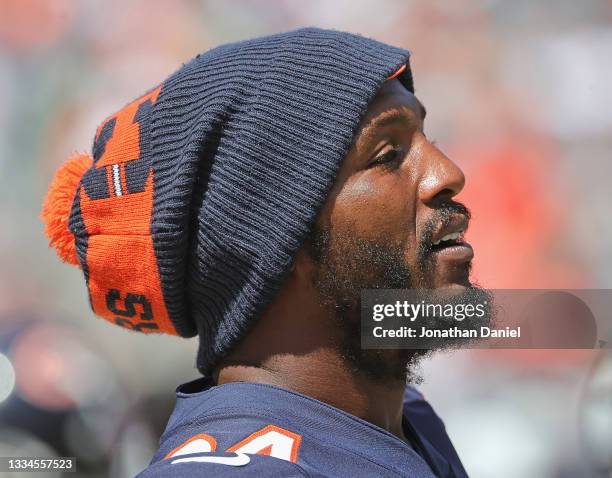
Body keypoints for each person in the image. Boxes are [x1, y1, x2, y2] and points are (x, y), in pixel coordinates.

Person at [42, 27, 477, 477]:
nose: (449, 173)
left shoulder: (406, 420)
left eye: (428, 139)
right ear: (279, 242)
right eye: (387, 155)